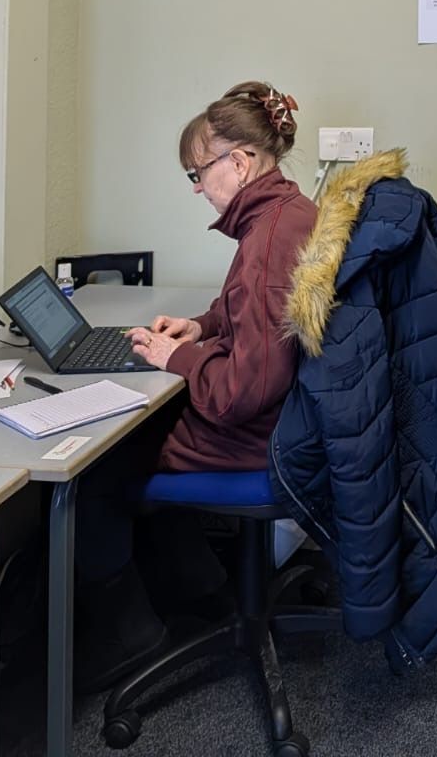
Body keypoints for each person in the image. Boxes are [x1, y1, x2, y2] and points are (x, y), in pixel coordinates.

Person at [73, 80, 316, 688]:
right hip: (293, 422)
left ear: (239, 162)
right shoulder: (287, 213)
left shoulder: (264, 243)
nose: (198, 189)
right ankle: (206, 589)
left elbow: (239, 393)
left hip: (261, 437)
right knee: (142, 432)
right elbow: (250, 313)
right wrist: (200, 325)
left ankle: (133, 636)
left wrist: (175, 357)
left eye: (199, 173)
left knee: (94, 470)